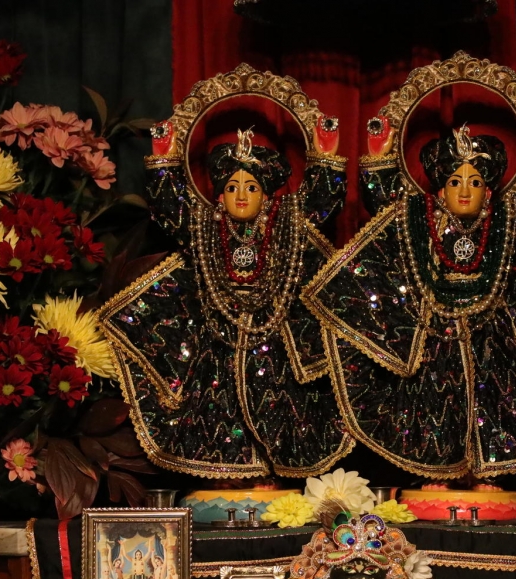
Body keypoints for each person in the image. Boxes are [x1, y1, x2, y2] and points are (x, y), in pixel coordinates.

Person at [303, 86, 516, 478]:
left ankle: (490, 472)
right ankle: (441, 471)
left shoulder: (503, 220)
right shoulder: (420, 219)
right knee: (433, 404)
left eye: (475, 182)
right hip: (433, 333)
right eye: (455, 182)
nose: (465, 190)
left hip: (493, 331)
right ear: (439, 190)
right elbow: (387, 204)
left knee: (501, 402)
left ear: (489, 191)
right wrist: (380, 156)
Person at [105, 103, 352, 478]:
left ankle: (272, 472)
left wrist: (325, 155)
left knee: (278, 410)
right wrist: (164, 159)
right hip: (217, 345)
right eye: (232, 187)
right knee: (217, 412)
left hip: (274, 347)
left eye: (251, 187)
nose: (241, 196)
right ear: (219, 195)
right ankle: (228, 476)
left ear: (267, 196)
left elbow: (319, 205)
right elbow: (171, 209)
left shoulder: (285, 228)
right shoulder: (204, 229)